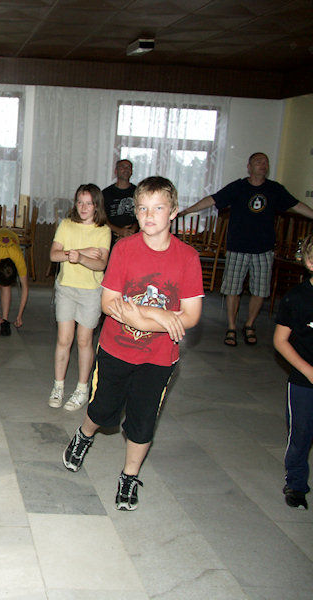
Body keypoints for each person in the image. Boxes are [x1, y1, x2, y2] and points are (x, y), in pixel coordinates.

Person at [62, 176, 203, 511]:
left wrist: (138, 314)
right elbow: (109, 303)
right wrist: (154, 315)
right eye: (142, 208)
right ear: (135, 213)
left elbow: (191, 315)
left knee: (142, 420)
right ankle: (84, 435)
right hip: (116, 349)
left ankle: (129, 475)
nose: (149, 215)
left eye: (158, 208)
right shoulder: (124, 249)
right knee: (102, 409)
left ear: (174, 212)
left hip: (159, 358)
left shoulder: (187, 257)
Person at [180, 152, 313, 347]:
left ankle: (249, 325)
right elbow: (213, 199)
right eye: (258, 161)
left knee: (260, 290)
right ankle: (232, 326)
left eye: (265, 162)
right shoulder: (238, 187)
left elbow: (296, 205)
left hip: (264, 249)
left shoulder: (274, 189)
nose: (263, 164)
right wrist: (187, 210)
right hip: (238, 248)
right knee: (232, 289)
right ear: (249, 167)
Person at [48, 184, 111, 411]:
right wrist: (83, 251)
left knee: (84, 340)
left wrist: (80, 258)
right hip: (66, 288)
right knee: (64, 339)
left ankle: (82, 389)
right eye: (80, 202)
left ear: (96, 206)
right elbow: (54, 255)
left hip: (90, 291)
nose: (84, 207)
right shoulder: (66, 225)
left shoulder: (103, 230)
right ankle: (58, 386)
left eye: (89, 203)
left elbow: (101, 263)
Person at [273, 234, 313, 511]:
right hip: (304, 381)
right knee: (301, 434)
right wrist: (307, 370)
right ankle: (296, 483)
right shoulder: (297, 298)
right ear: (309, 262)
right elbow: (280, 340)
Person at [0, 228, 30, 336]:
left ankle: (5, 320)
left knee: (5, 286)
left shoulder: (19, 259)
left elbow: (25, 288)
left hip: (11, 239)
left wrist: (19, 315)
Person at [102, 159, 138, 242]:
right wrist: (120, 231)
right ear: (116, 171)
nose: (126, 169)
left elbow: (142, 214)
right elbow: (101, 217)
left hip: (134, 236)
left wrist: (132, 231)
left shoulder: (138, 192)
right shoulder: (106, 193)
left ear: (131, 172)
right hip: (111, 236)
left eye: (128, 167)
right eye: (122, 167)